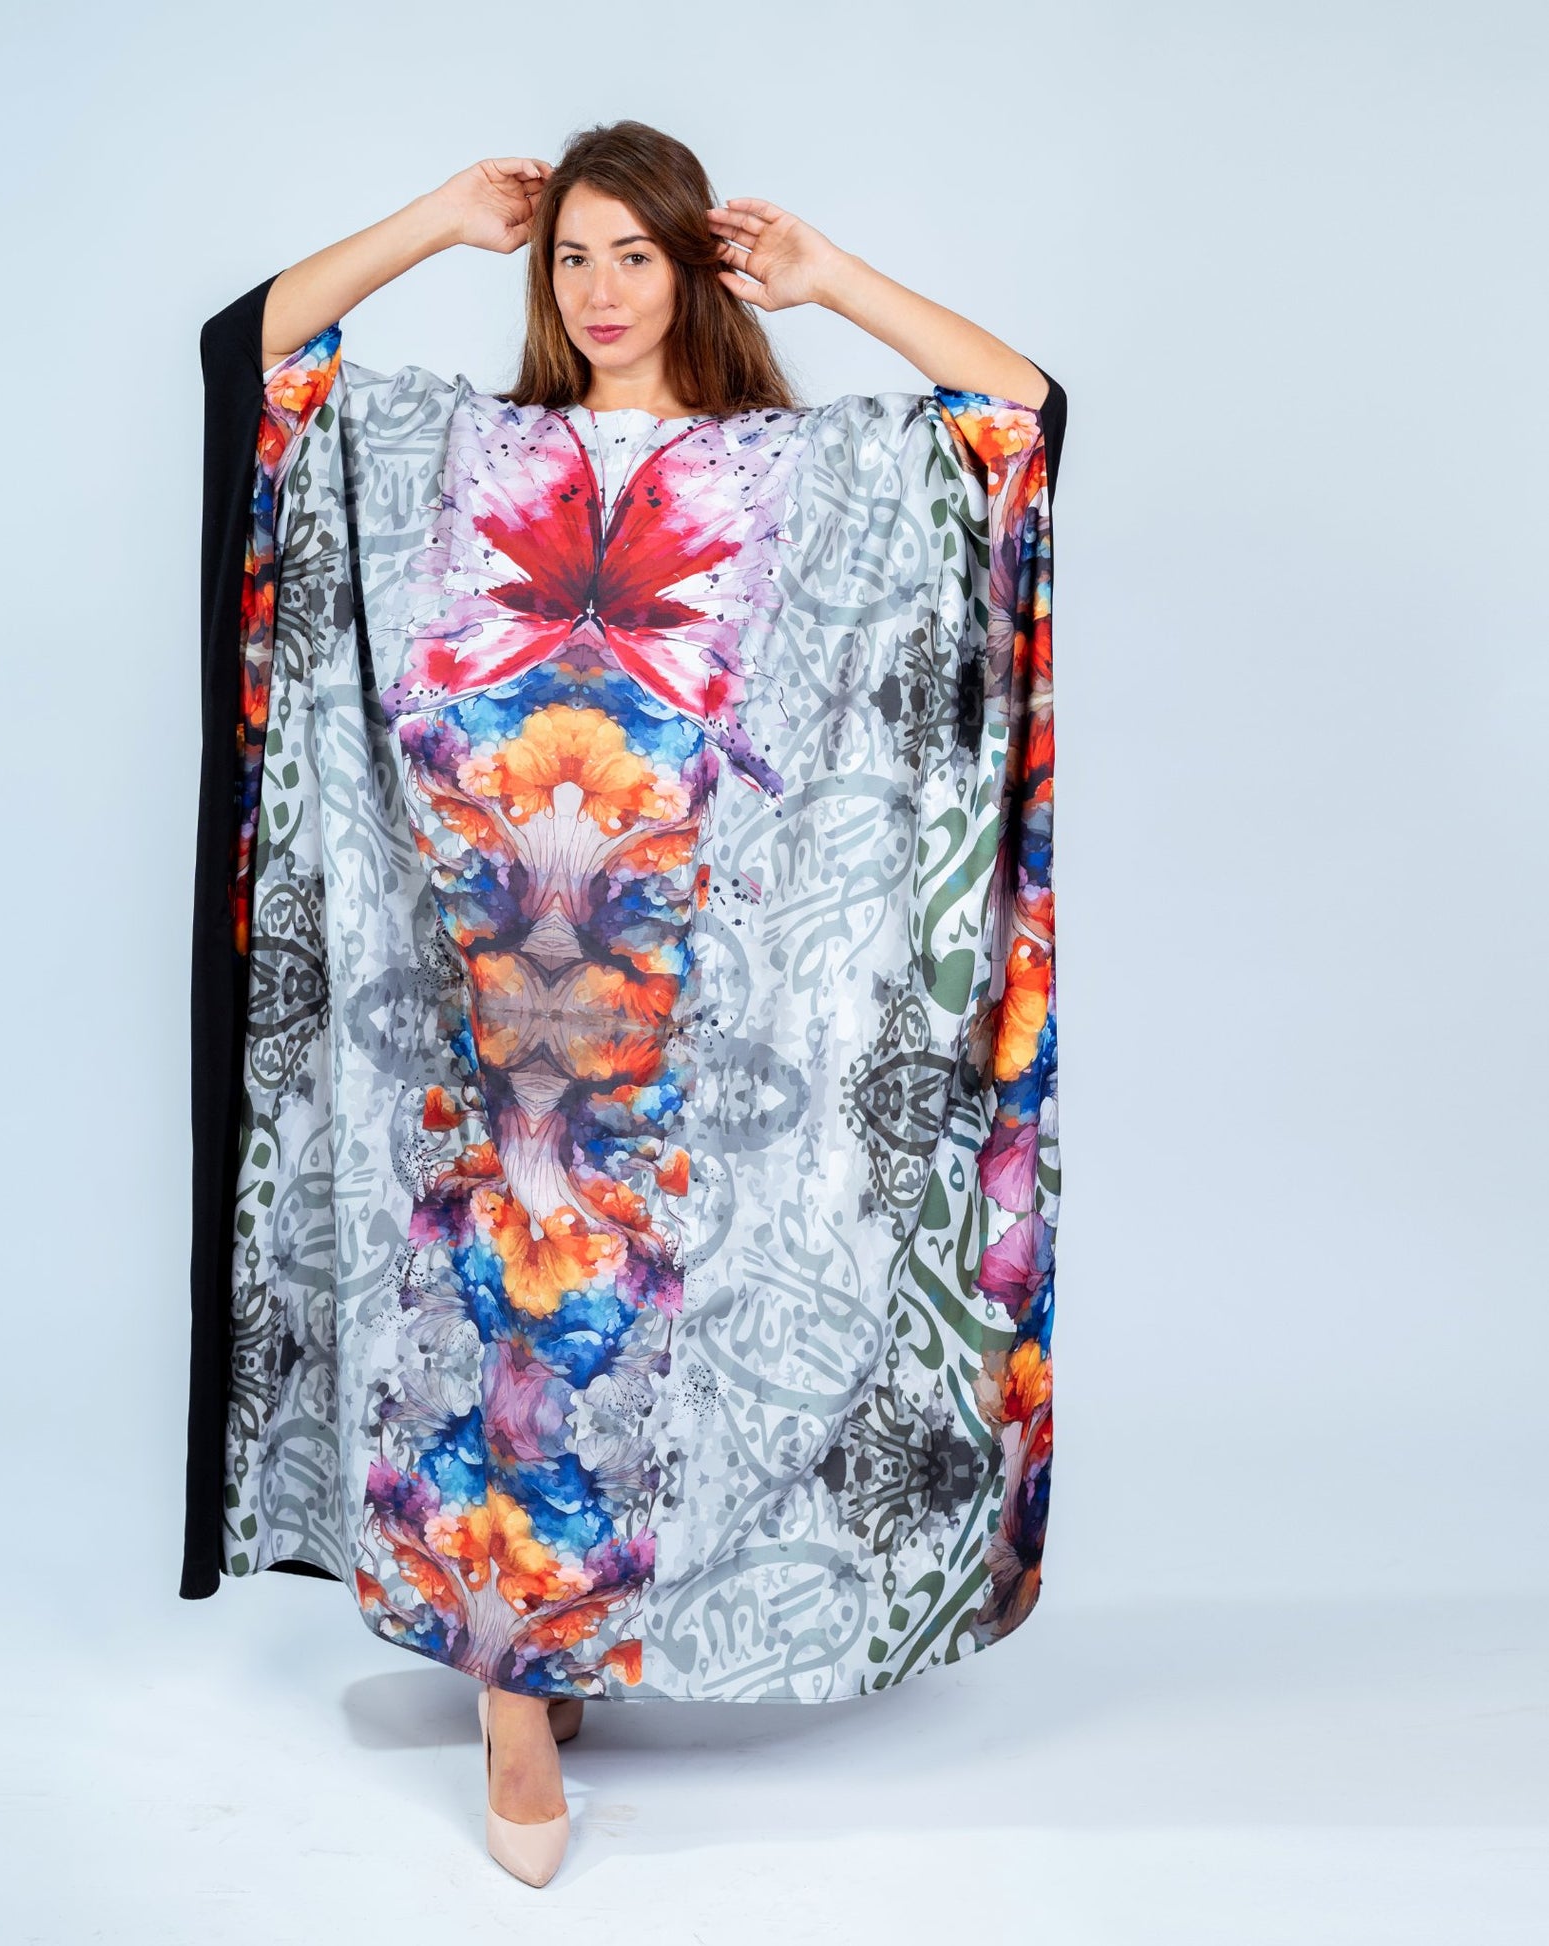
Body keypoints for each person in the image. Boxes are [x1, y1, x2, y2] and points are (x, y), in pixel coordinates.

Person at [183, 120, 1062, 1889]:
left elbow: (1016, 415)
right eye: (569, 257)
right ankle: (513, 1701)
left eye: (632, 256)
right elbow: (248, 360)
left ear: (690, 269)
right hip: (473, 992)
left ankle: (555, 1634)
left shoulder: (780, 473)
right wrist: (438, 218)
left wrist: (831, 279)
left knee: (620, 1338)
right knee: (497, 1321)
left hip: (680, 1018)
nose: (597, 292)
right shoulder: (463, 452)